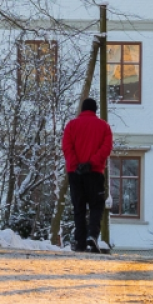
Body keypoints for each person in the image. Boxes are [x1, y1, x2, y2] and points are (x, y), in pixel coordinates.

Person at [60, 96, 113, 252]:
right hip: (95, 172)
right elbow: (106, 147)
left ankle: (80, 241)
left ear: (82, 109)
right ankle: (92, 235)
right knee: (96, 206)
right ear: (95, 110)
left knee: (79, 207)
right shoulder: (104, 127)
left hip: (75, 173)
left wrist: (76, 164)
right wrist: (92, 163)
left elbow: (67, 147)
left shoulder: (71, 126)